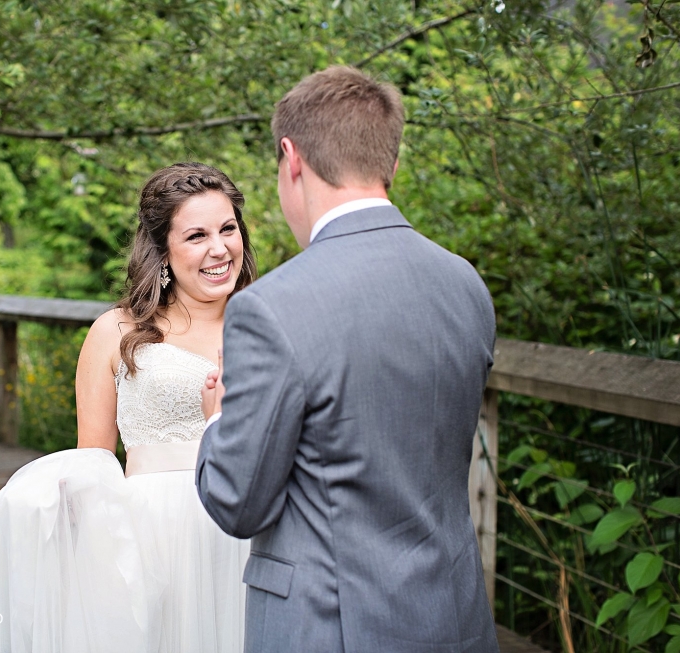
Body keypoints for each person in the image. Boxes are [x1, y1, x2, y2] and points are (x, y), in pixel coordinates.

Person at [196, 66, 500, 652]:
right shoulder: (465, 285)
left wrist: (217, 418)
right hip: (454, 618)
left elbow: (238, 502)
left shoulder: (270, 308)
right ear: (391, 160)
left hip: (329, 627)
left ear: (292, 159)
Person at [0, 162, 256, 653]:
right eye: (196, 235)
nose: (219, 248)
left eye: (228, 228)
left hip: (247, 532)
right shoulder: (116, 332)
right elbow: (93, 465)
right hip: (152, 542)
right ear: (163, 249)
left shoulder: (268, 323)